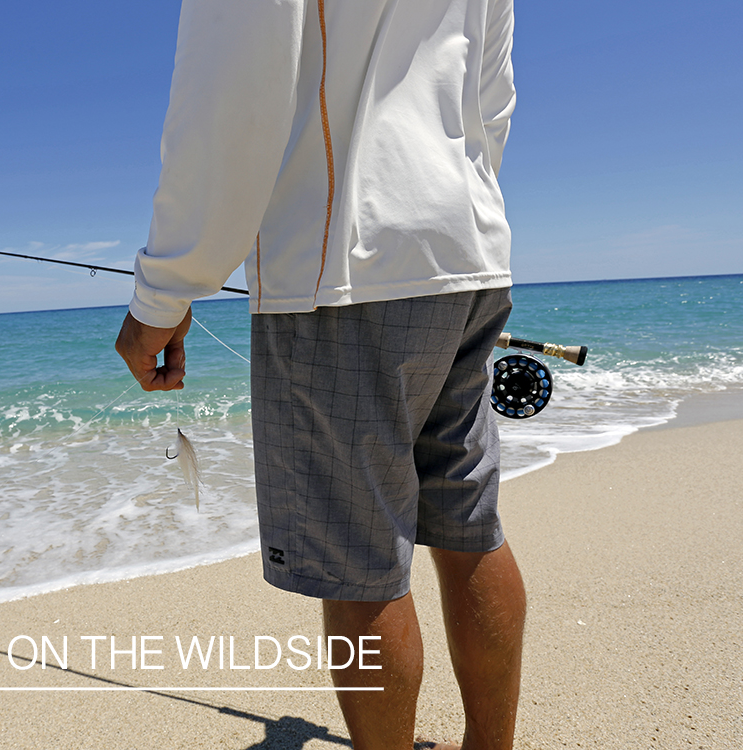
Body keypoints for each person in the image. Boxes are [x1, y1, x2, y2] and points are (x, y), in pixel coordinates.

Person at [116, 1, 525, 747]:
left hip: (343, 263)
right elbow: (490, 98)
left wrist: (167, 289)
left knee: (357, 563)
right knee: (467, 522)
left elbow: (228, 96)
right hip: (467, 244)